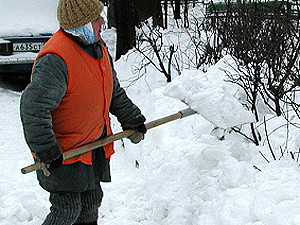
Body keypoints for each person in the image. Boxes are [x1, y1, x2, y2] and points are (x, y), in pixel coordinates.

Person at [20, 0, 146, 224]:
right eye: (97, 18)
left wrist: (132, 118)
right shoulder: (56, 59)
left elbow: (112, 91)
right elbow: (34, 109)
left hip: (92, 148)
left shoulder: (98, 49)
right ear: (82, 23)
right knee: (67, 210)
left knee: (90, 202)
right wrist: (47, 151)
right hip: (63, 154)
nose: (102, 22)